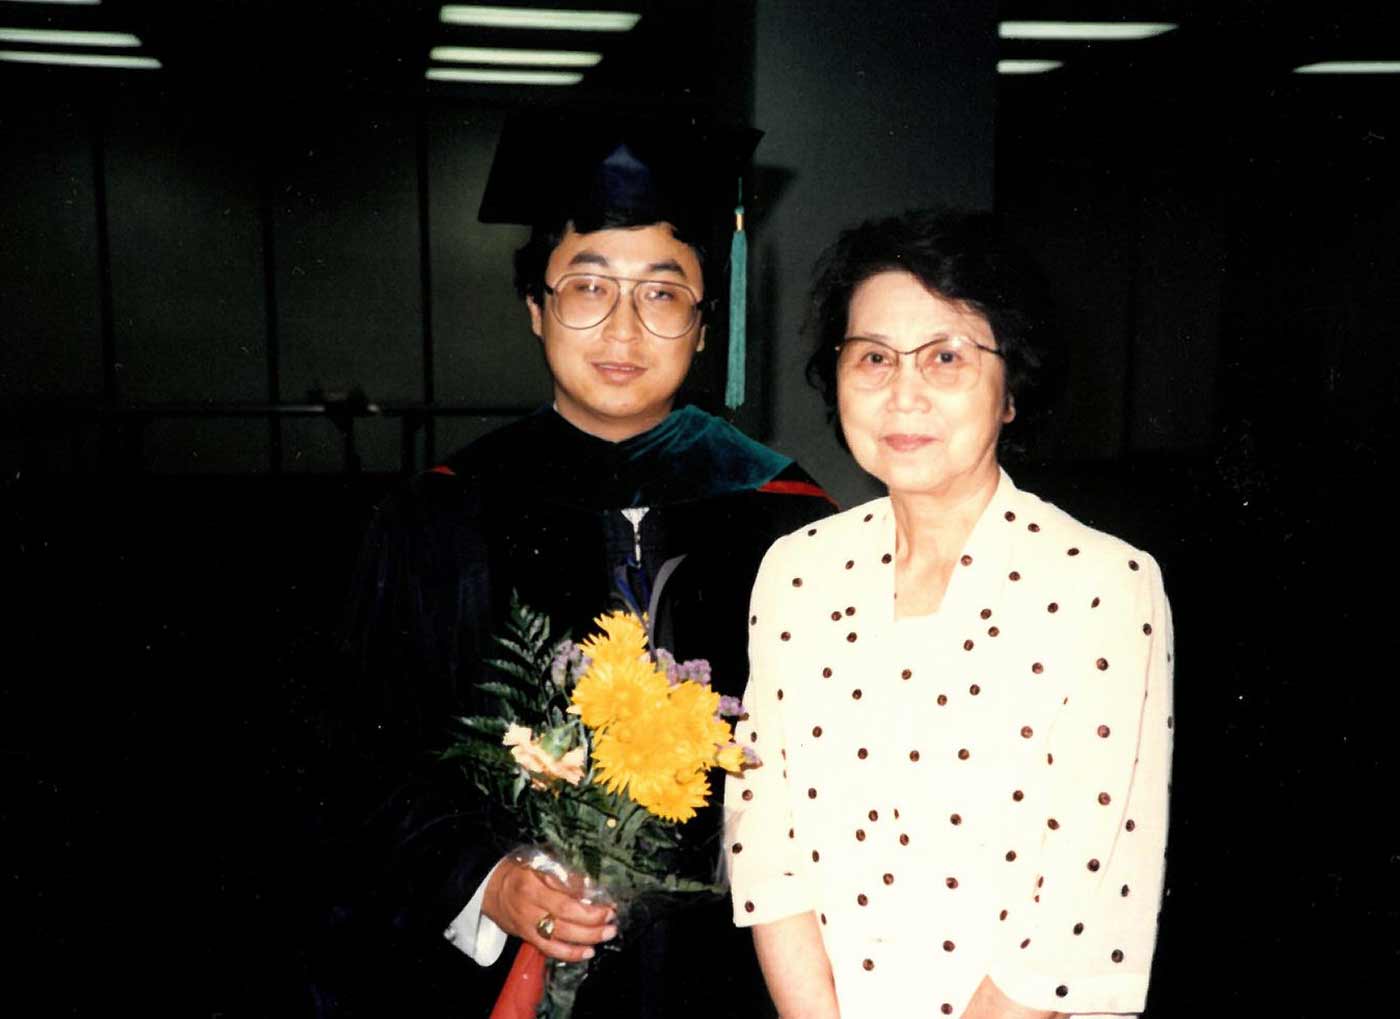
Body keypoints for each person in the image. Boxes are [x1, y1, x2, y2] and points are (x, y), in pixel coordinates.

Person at [311, 114, 834, 1018]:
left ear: (707, 324)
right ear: (534, 308)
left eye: (663, 295)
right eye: (587, 286)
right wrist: (485, 879)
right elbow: (359, 757)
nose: (623, 327)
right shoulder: (435, 517)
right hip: (498, 969)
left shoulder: (792, 519)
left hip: (740, 972)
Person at [723, 209, 1173, 1019]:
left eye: (946, 358)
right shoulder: (795, 572)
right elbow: (766, 839)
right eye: (872, 358)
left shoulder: (1103, 586)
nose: (904, 393)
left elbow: (1079, 902)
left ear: (1010, 391)